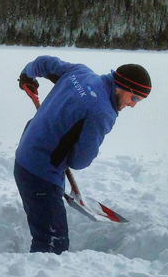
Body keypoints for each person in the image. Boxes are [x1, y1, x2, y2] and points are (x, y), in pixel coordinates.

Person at [14, 57, 151, 253]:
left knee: (50, 237)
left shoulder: (81, 73)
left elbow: (44, 63)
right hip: (39, 174)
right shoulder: (102, 112)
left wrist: (27, 74)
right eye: (134, 98)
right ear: (121, 86)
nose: (133, 105)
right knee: (53, 245)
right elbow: (80, 160)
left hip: (26, 151)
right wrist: (64, 150)